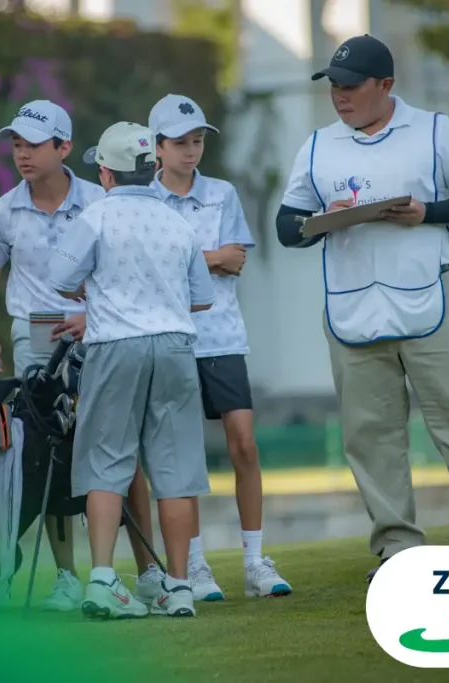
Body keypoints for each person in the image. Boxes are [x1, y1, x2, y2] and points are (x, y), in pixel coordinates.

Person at [275, 34, 449, 582]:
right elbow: (286, 227)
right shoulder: (317, 146)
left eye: (351, 85)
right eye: (333, 86)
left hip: (432, 300)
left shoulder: (435, 130)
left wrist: (426, 212)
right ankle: (398, 552)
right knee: (370, 438)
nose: (339, 96)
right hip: (352, 309)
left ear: (385, 84)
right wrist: (322, 219)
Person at [0, 101, 163, 611]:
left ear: (64, 147)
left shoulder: (102, 198)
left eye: (34, 145)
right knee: (47, 451)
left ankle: (145, 571)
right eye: (16, 144)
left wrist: (94, 315)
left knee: (119, 449)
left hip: (100, 332)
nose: (22, 154)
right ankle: (66, 576)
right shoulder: (2, 211)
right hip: (34, 339)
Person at [50, 121, 216, 619]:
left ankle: (103, 579)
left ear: (106, 173)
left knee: (105, 462)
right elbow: (202, 297)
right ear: (152, 168)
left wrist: (93, 289)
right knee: (176, 470)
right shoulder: (178, 222)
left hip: (115, 345)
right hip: (175, 345)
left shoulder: (96, 217)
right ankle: (180, 587)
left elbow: (60, 277)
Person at [148, 93, 292, 601]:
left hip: (224, 337)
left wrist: (188, 259)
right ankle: (196, 565)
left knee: (244, 445)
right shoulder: (143, 201)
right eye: (180, 143)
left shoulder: (222, 194)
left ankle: (254, 563)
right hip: (170, 339)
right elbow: (158, 268)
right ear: (157, 147)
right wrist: (208, 257)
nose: (191, 150)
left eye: (197, 141)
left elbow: (237, 260)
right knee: (183, 458)